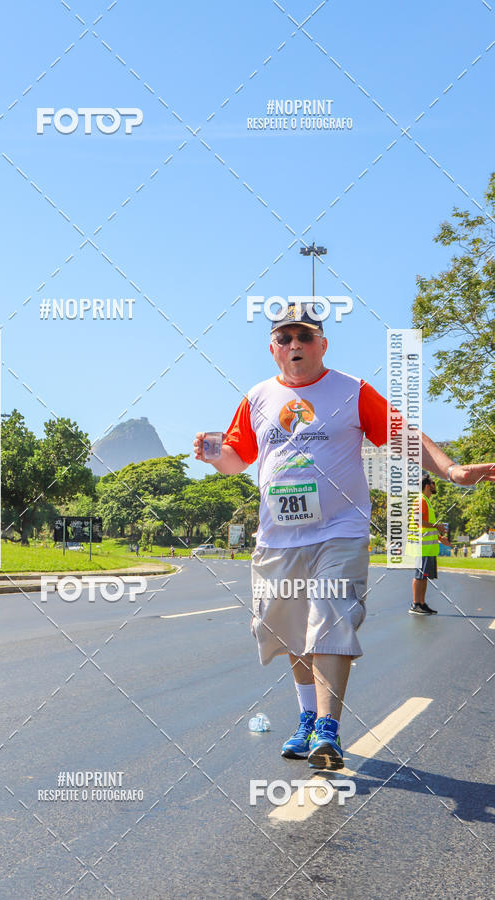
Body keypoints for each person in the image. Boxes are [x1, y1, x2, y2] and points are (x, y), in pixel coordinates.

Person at [193, 301, 495, 770]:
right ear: (273, 349)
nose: (295, 345)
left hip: (340, 530)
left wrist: (452, 470)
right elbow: (238, 458)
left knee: (331, 617)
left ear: (322, 345)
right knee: (292, 629)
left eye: (305, 337)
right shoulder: (256, 398)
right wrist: (215, 456)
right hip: (279, 537)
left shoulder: (352, 391)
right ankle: (307, 719)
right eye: (285, 338)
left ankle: (328, 729)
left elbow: (404, 435)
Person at [406, 474, 450, 615]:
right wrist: (437, 526)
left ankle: (422, 603)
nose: (434, 485)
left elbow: (425, 528)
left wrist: (439, 537)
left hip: (427, 547)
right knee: (419, 575)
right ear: (427, 485)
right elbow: (418, 522)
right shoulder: (421, 500)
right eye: (433, 482)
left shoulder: (426, 501)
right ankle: (415, 604)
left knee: (423, 576)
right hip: (422, 547)